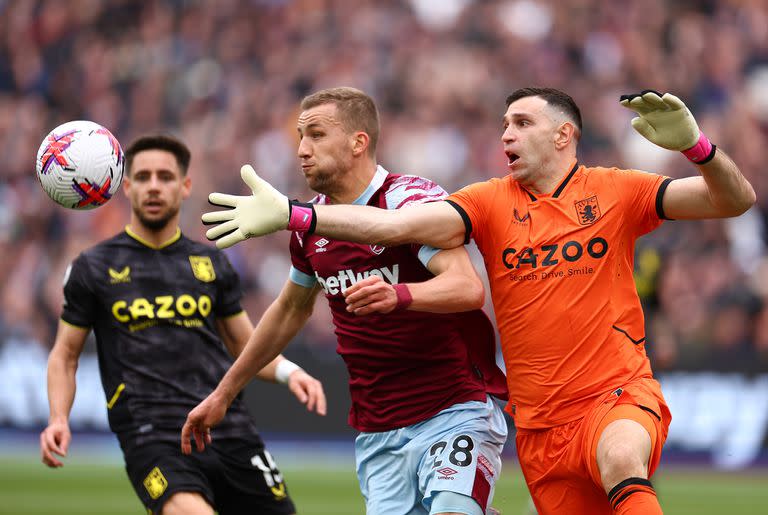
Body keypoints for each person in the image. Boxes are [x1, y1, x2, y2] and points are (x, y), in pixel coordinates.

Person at [199, 88, 757, 515]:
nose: (506, 135)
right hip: (537, 424)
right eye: (503, 126)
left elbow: (733, 201)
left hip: (610, 392)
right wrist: (300, 216)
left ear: (564, 135)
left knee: (621, 461)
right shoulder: (488, 203)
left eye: (521, 123)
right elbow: (397, 226)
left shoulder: (619, 190)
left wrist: (696, 147)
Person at [182, 87, 510, 515]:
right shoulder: (309, 227)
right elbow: (290, 309)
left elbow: (467, 288)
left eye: (316, 134)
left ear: (359, 142)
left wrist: (399, 294)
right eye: (300, 136)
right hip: (378, 430)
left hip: (452, 410)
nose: (302, 150)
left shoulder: (407, 199)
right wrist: (224, 393)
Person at [40, 134, 327, 515]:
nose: (154, 186)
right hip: (151, 434)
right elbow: (65, 355)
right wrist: (59, 417)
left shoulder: (212, 264)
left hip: (228, 427)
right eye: (143, 177)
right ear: (126, 187)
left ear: (185, 186)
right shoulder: (93, 268)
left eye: (165, 176)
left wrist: (291, 372)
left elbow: (246, 346)